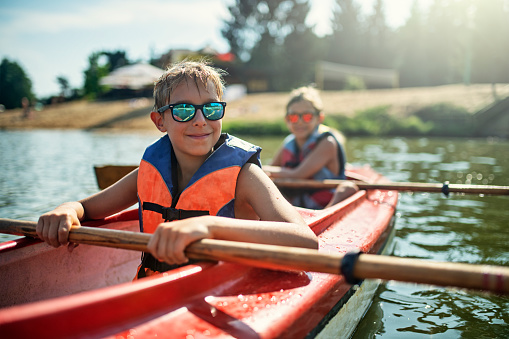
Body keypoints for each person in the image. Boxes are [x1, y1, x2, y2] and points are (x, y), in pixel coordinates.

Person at [37, 60, 318, 279]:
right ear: (159, 121)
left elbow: (306, 242)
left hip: (225, 291)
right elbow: (87, 208)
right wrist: (68, 209)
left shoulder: (245, 176)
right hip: (157, 291)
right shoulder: (149, 171)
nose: (199, 120)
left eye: (211, 109)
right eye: (183, 110)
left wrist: (207, 225)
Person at [264, 86, 358, 209]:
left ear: (320, 118)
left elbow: (298, 174)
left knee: (347, 189)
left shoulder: (327, 143)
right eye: (293, 117)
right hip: (296, 202)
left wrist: (262, 170)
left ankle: (326, 215)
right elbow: (273, 168)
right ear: (286, 119)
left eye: (307, 116)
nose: (300, 122)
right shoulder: (289, 142)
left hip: (325, 203)